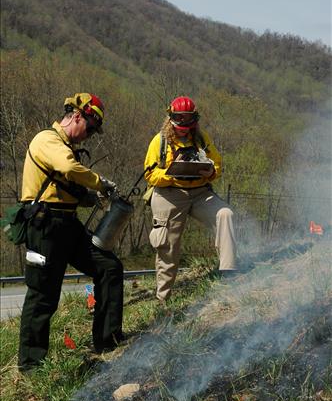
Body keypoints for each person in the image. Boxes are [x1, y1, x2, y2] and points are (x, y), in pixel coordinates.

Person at [18, 93, 124, 372]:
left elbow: (63, 182)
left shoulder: (63, 146)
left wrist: (86, 197)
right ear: (77, 116)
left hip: (67, 224)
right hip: (45, 226)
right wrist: (100, 183)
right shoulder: (47, 140)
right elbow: (67, 166)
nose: (89, 135)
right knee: (43, 295)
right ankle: (31, 365)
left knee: (109, 266)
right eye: (89, 128)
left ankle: (108, 340)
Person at [144, 96, 237, 302]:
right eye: (180, 118)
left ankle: (229, 275)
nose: (184, 124)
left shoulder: (202, 138)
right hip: (169, 193)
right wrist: (172, 173)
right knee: (168, 242)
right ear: (171, 118)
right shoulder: (159, 141)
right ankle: (163, 297)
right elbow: (150, 175)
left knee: (225, 214)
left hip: (200, 191)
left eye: (188, 119)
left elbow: (218, 164)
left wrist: (210, 171)